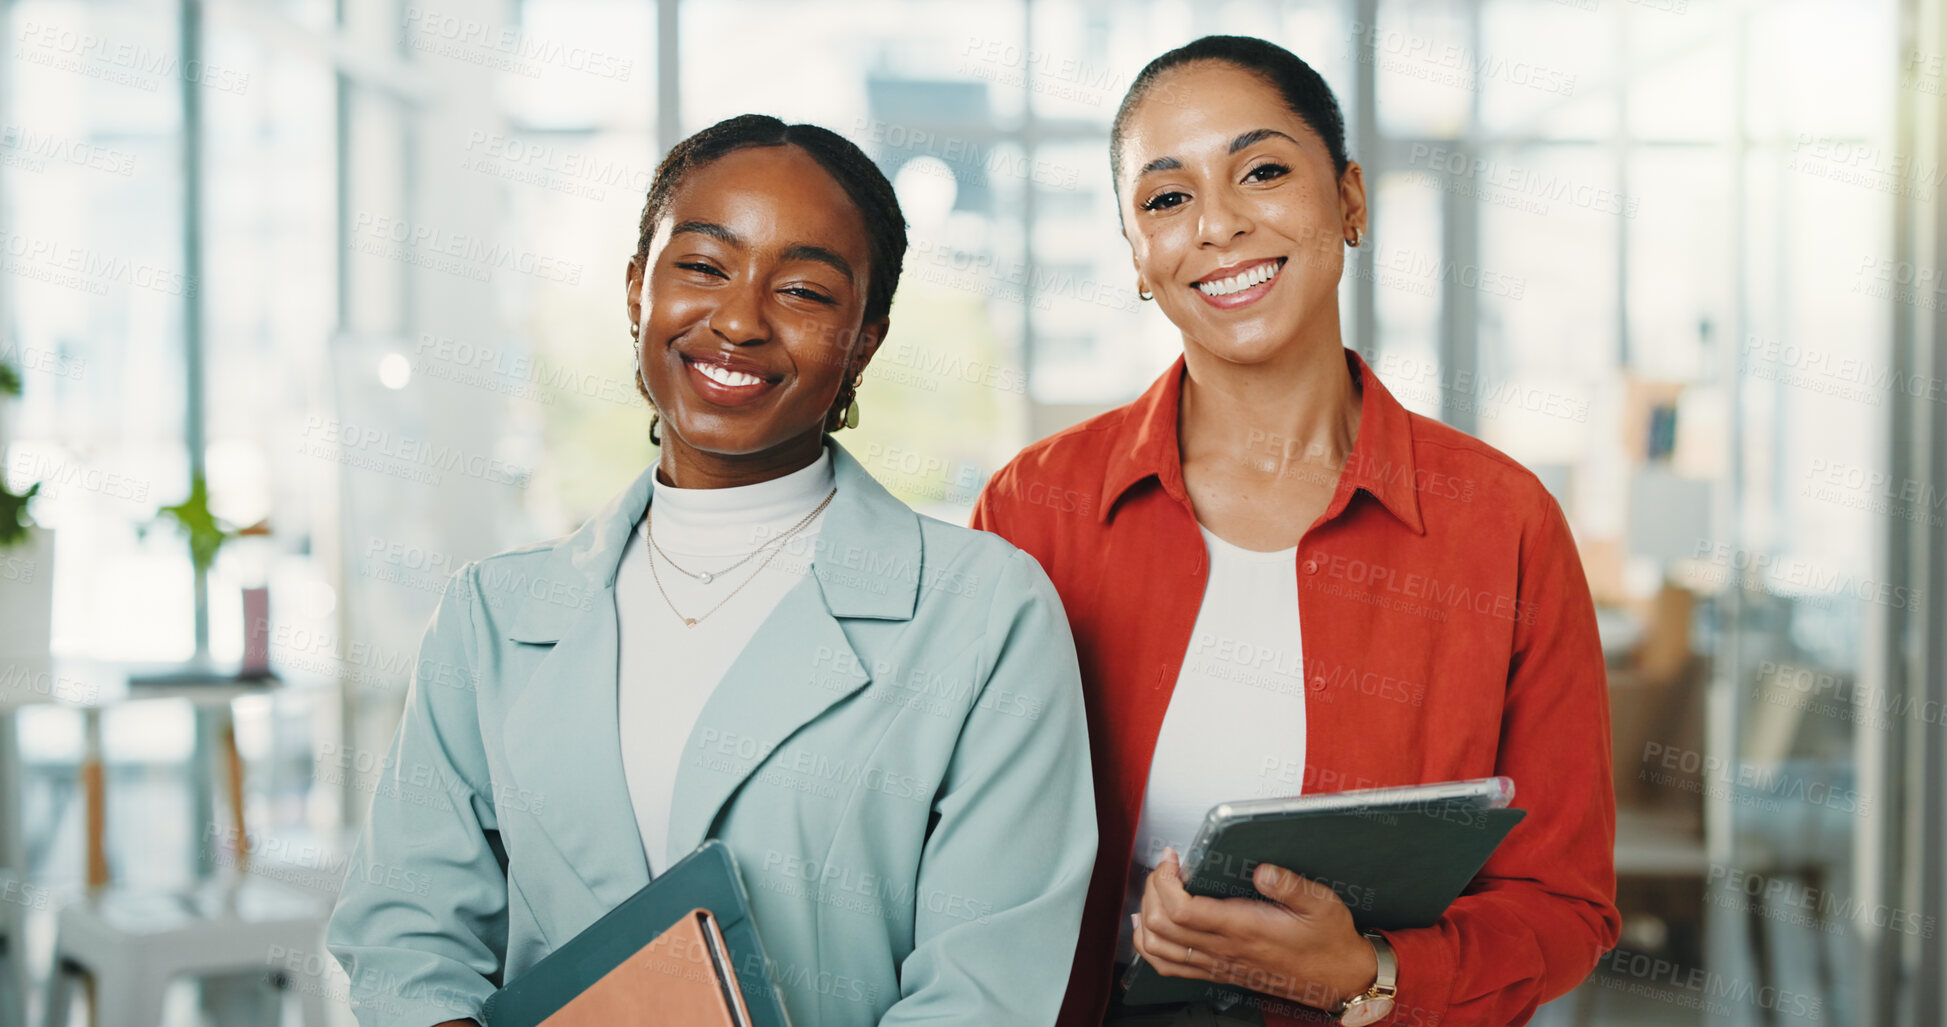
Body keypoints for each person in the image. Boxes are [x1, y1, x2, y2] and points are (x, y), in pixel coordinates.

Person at [329, 113, 1097, 1027]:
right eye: (701, 266)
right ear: (636, 290)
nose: (737, 320)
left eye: (804, 290)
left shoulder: (986, 613)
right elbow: (407, 935)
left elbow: (982, 991)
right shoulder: (490, 614)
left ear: (864, 340)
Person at [972, 36, 1620, 1027]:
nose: (1218, 224)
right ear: (1139, 256)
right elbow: (959, 855)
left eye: (1262, 172)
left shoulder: (1503, 523)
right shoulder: (1035, 508)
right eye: (1166, 198)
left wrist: (1370, 971)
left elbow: (1563, 903)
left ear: (1350, 200)